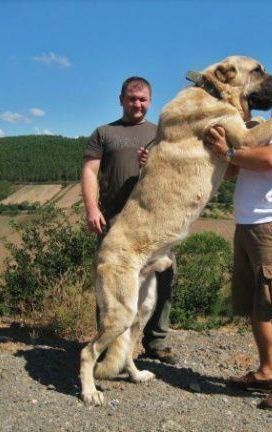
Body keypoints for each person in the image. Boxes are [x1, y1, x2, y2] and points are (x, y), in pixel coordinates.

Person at [204, 66, 272, 409]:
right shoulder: (257, 129)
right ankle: (267, 371)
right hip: (249, 225)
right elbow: (236, 170)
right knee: (257, 308)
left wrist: (230, 153)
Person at [81, 76, 178, 364]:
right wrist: (91, 209)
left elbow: (173, 175)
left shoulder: (161, 133)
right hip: (114, 222)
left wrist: (155, 163)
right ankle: (108, 343)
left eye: (143, 99)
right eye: (132, 98)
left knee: (163, 280)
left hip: (154, 224)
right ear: (121, 99)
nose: (137, 104)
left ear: (150, 101)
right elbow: (89, 171)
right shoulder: (103, 133)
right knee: (109, 283)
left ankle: (156, 342)